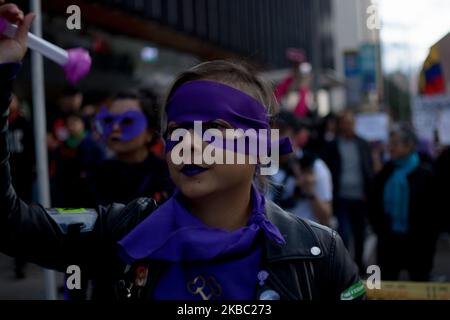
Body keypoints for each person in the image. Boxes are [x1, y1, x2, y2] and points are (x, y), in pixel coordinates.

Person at [0, 3, 364, 300]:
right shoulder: (122, 232)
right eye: (178, 131)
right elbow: (10, 223)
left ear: (259, 145)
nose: (189, 145)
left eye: (214, 130)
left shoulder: (320, 251)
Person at [368, 124, 438, 281]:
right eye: (389, 144)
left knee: (419, 284)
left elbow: (434, 213)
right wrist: (379, 227)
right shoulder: (385, 172)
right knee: (386, 284)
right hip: (389, 239)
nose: (390, 148)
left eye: (395, 144)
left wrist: (429, 241)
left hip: (418, 242)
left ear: (409, 146)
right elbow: (374, 202)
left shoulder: (425, 174)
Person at [93, 89, 172, 206]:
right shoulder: (94, 175)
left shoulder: (168, 176)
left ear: (150, 132)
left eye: (128, 121)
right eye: (109, 120)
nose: (115, 127)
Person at [322, 110, 374, 273]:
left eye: (350, 122)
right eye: (344, 122)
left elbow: (368, 167)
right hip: (341, 197)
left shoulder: (363, 144)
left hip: (360, 196)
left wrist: (369, 190)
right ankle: (345, 266)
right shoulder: (333, 145)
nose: (347, 125)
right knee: (344, 232)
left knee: (360, 234)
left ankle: (359, 263)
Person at [52, 112, 106, 207]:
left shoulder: (93, 144)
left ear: (82, 124)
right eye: (68, 124)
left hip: (90, 195)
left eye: (74, 123)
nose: (71, 127)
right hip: (68, 195)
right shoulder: (63, 147)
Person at [7, 93, 34, 279]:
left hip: (22, 177)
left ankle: (21, 260)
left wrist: (33, 170)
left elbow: (33, 148)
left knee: (22, 217)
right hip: (7, 178)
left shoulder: (24, 123)